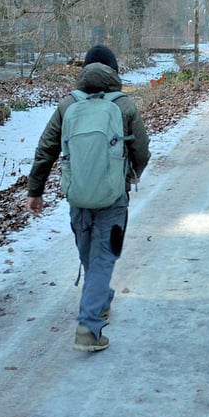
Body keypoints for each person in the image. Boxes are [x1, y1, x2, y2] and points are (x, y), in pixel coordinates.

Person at [26, 44, 151, 352]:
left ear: (83, 70)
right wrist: (133, 173)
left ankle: (99, 299)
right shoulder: (124, 105)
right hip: (113, 197)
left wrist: (35, 191)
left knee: (89, 254)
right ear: (114, 70)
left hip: (78, 196)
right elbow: (142, 150)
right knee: (104, 256)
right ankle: (88, 325)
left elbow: (46, 150)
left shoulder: (68, 104)